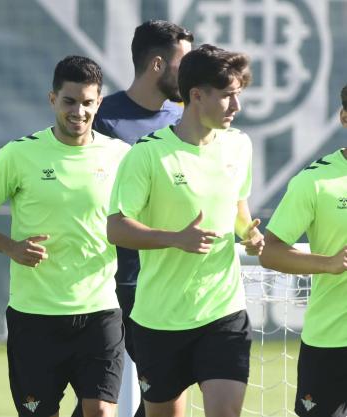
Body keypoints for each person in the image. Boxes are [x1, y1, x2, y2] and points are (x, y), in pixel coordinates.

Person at [0, 55, 129, 417]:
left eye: (87, 102)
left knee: (101, 410)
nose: (78, 111)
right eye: (69, 101)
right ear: (52, 99)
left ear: (99, 102)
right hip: (34, 318)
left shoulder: (120, 157)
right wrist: (11, 247)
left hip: (99, 312)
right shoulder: (19, 155)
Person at [107, 44, 265, 417]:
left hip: (223, 311)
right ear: (196, 95)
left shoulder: (240, 146)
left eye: (239, 95)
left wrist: (249, 233)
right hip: (160, 320)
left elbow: (238, 209)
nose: (236, 107)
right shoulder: (146, 154)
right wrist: (175, 239)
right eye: (227, 96)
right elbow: (116, 228)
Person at [75, 20, 194, 417]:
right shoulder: (100, 119)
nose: (191, 71)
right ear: (157, 64)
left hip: (162, 280)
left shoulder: (180, 123)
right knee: (99, 398)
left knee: (164, 390)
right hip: (106, 282)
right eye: (184, 62)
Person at [259, 85, 347, 417]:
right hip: (330, 342)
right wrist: (327, 263)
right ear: (344, 117)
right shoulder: (314, 181)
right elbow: (270, 252)